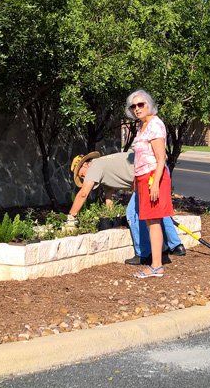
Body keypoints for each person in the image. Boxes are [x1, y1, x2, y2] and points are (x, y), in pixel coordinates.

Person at [67, 151, 184, 264]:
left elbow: (83, 194)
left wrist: (71, 217)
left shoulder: (94, 166)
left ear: (85, 164)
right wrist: (110, 215)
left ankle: (144, 253)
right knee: (158, 212)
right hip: (159, 170)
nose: (82, 177)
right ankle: (177, 246)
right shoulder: (104, 165)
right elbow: (109, 195)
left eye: (80, 173)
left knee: (133, 213)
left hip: (148, 174)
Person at [126, 88, 173, 278]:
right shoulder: (142, 127)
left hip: (154, 177)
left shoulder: (155, 124)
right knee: (150, 221)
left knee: (154, 221)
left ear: (149, 104)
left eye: (140, 104)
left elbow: (161, 158)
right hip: (143, 177)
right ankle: (155, 263)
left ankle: (156, 266)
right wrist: (135, 181)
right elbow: (140, 158)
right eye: (133, 106)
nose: (137, 109)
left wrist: (155, 184)